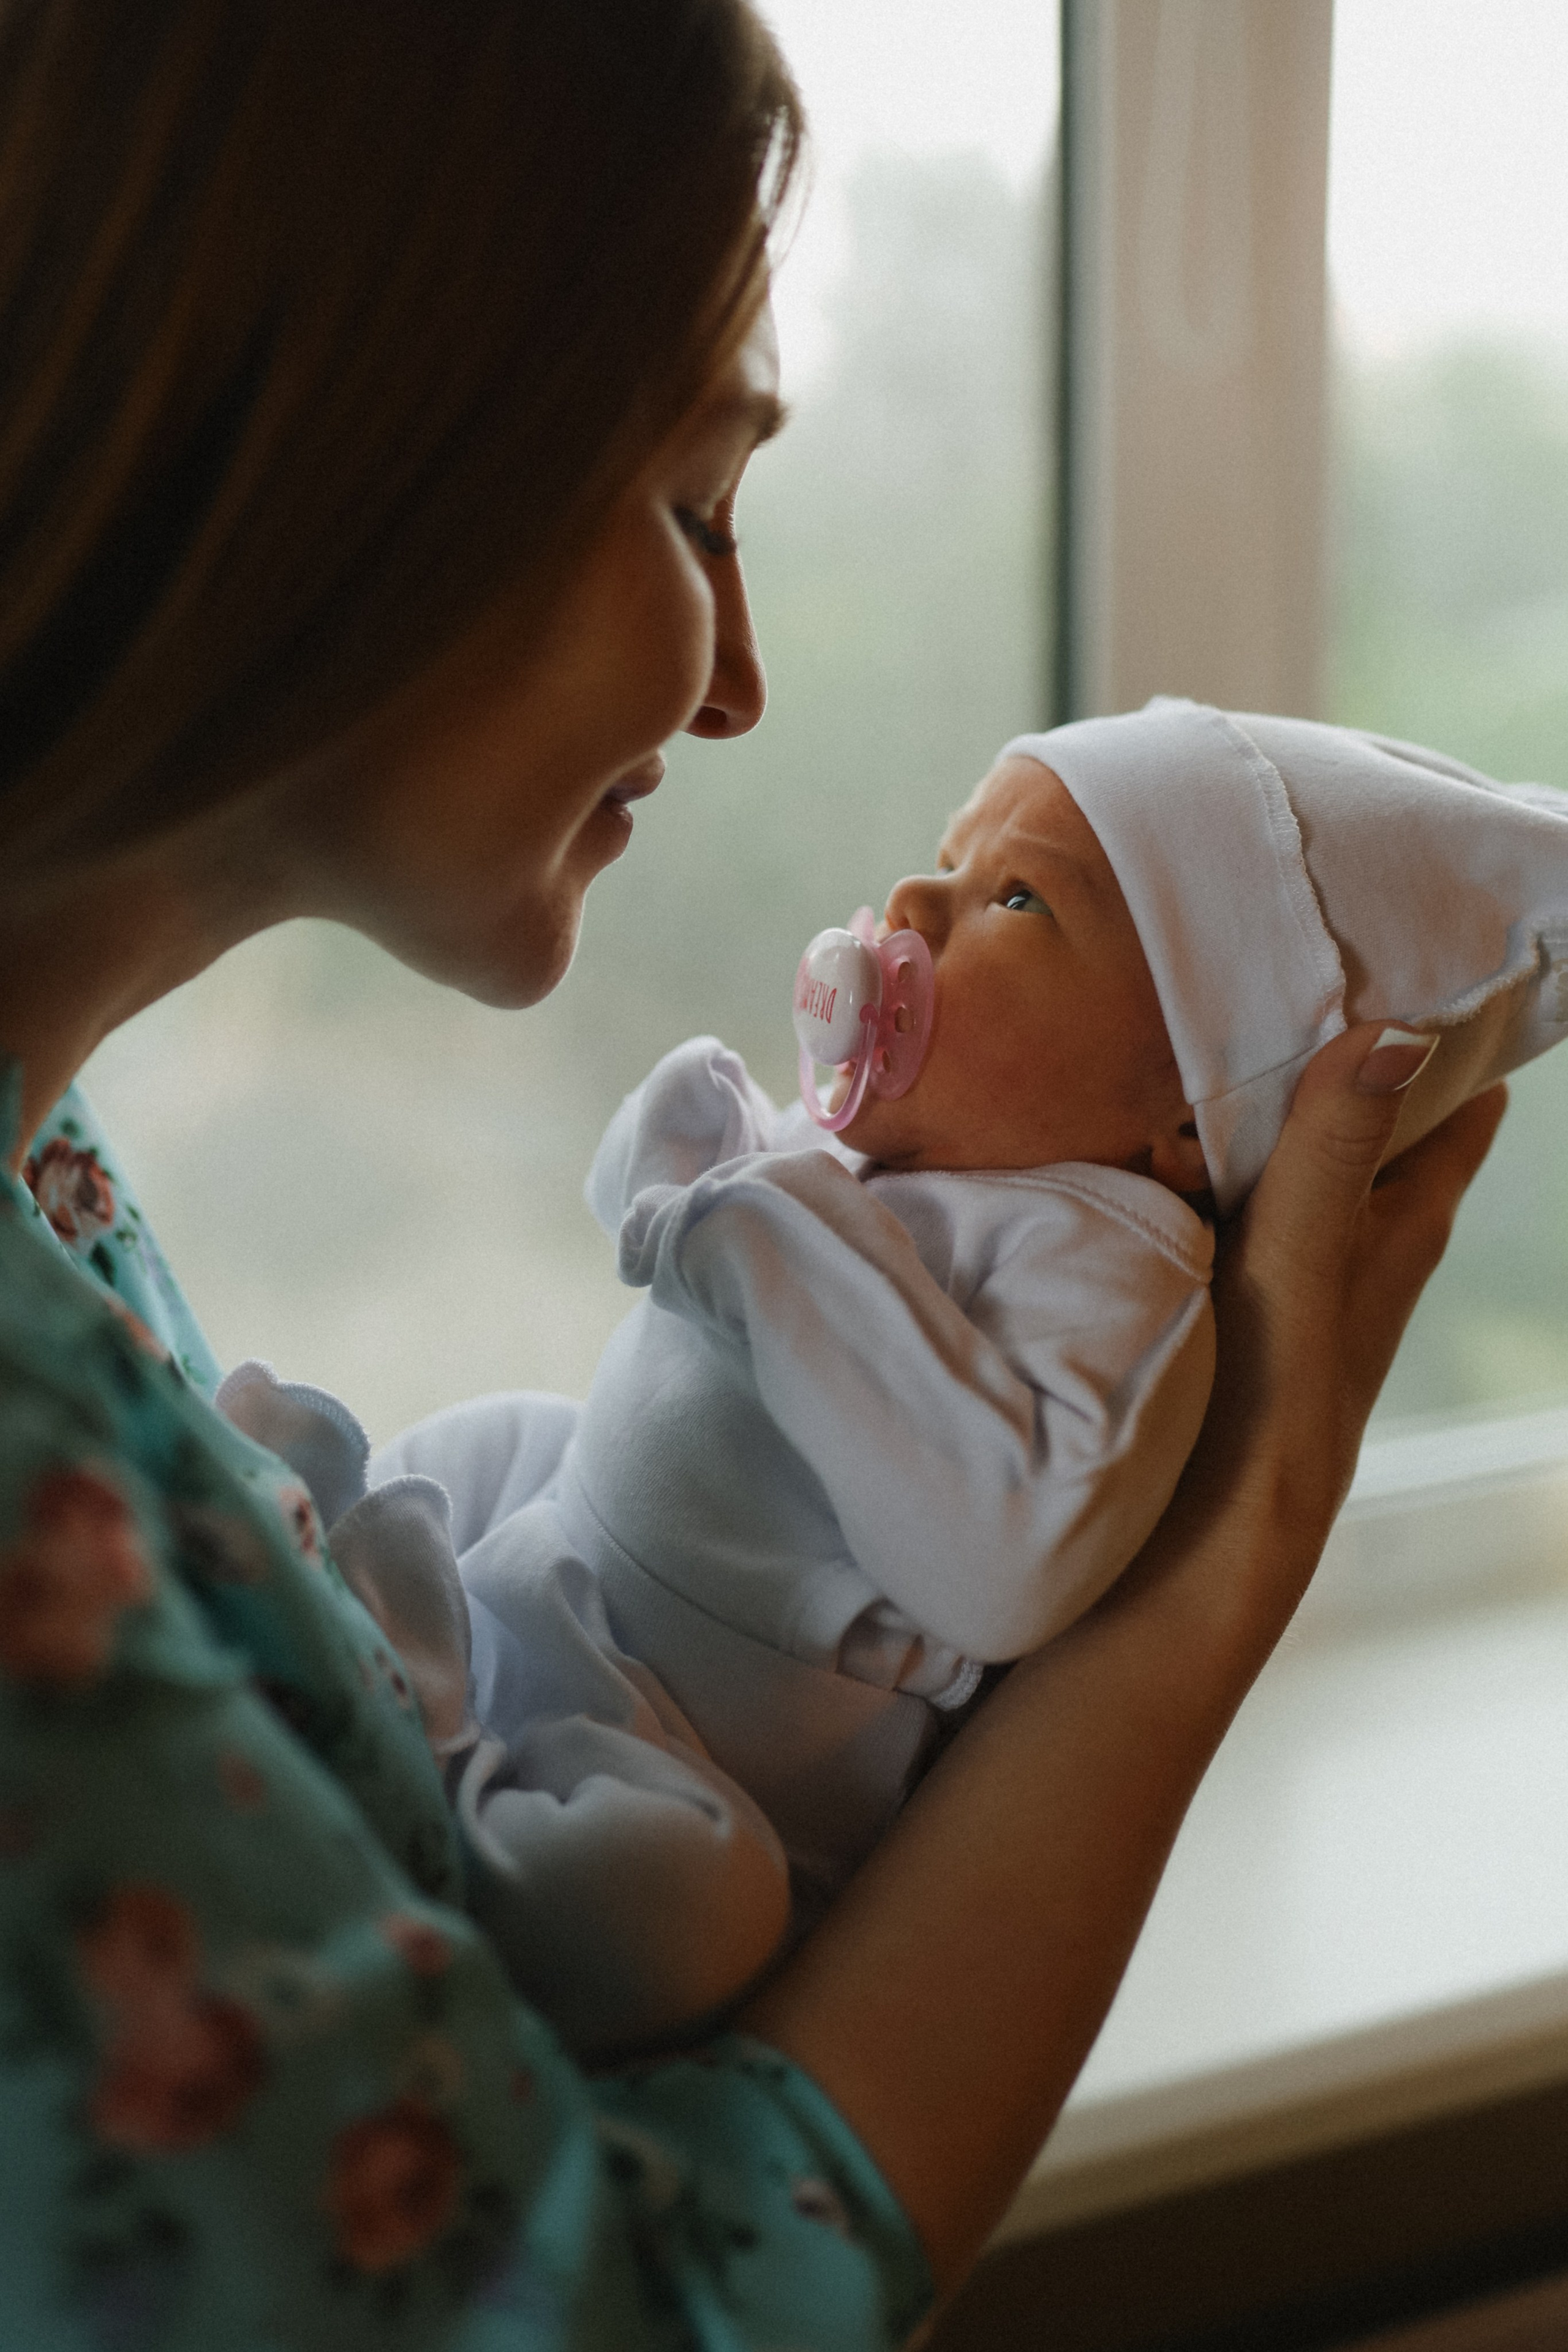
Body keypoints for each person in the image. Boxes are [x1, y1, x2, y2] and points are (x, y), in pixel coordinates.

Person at [0, 6, 1505, 2346]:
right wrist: (1229, 1551)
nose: (742, 690)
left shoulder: (53, 1195)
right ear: (346, 442)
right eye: (697, 508)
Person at [334, 698, 1567, 2058]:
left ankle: (431, 1726)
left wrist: (759, 1240)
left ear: (1184, 1110)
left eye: (1015, 898)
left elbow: (1003, 1563)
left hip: (674, 1741)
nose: (916, 900)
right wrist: (713, 1154)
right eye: (947, 857)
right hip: (567, 1525)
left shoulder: (1111, 1274)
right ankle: (348, 1556)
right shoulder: (906, 1160)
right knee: (485, 1438)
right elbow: (697, 1231)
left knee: (684, 1915)